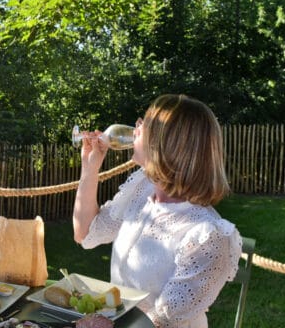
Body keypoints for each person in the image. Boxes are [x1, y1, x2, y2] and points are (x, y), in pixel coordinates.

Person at [73, 94, 242, 328]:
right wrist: (90, 167)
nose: (138, 124)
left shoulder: (208, 236)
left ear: (169, 143)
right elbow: (85, 233)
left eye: (148, 122)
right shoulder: (142, 190)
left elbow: (158, 322)